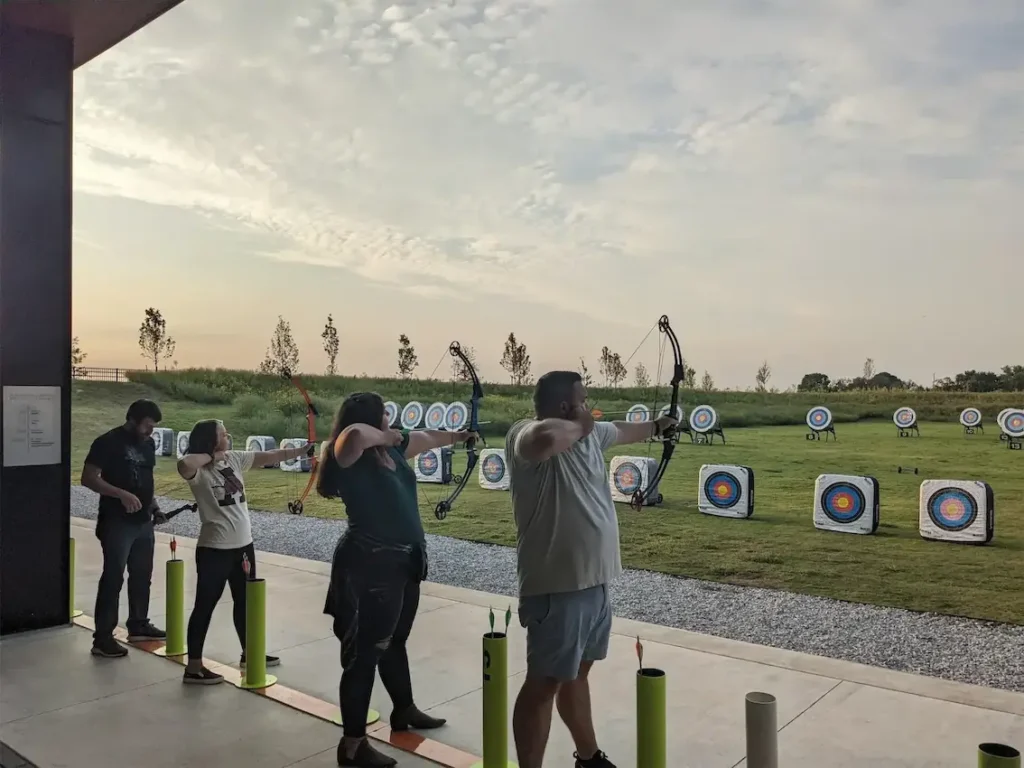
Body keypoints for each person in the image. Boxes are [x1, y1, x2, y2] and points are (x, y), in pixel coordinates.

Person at [505, 371, 677, 768]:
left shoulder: (592, 434)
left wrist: (656, 426)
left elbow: (618, 429)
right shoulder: (523, 435)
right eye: (583, 399)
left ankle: (588, 757)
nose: (590, 405)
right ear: (566, 405)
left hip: (595, 583)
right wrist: (582, 424)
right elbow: (545, 440)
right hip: (557, 586)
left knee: (576, 676)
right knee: (543, 683)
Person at [317, 391, 475, 768]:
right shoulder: (351, 453)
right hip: (369, 563)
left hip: (403, 563)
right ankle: (353, 746)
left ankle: (403, 710)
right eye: (384, 414)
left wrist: (460, 437)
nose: (391, 419)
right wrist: (390, 436)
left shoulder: (393, 451)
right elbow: (353, 436)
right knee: (364, 655)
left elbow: (428, 437)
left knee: (395, 641)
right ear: (372, 418)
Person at [175, 418, 314, 685]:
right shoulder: (199, 469)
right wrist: (211, 456)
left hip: (243, 546)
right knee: (205, 606)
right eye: (223, 434)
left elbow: (270, 455)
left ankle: (250, 654)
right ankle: (193, 667)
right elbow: (184, 465)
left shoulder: (235, 459)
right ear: (211, 440)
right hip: (215, 548)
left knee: (245, 602)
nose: (228, 437)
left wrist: (299, 452)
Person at [82, 399, 168, 658]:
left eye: (153, 427)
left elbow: (145, 481)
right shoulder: (107, 442)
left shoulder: (149, 444)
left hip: (143, 521)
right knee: (113, 577)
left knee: (142, 575)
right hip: (116, 521)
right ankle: (103, 638)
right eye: (146, 426)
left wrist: (154, 507)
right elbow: (88, 478)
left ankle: (138, 624)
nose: (150, 431)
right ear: (132, 420)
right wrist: (120, 494)